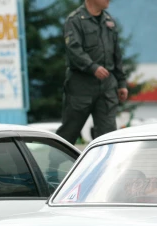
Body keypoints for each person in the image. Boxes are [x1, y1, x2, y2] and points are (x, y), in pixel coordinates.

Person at [55, 0, 128, 145]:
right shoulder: (75, 20)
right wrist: (92, 67)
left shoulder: (109, 21)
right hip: (81, 85)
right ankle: (54, 165)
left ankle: (105, 166)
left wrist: (121, 83)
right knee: (70, 131)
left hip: (107, 85)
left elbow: (116, 54)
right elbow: (74, 49)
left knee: (108, 135)